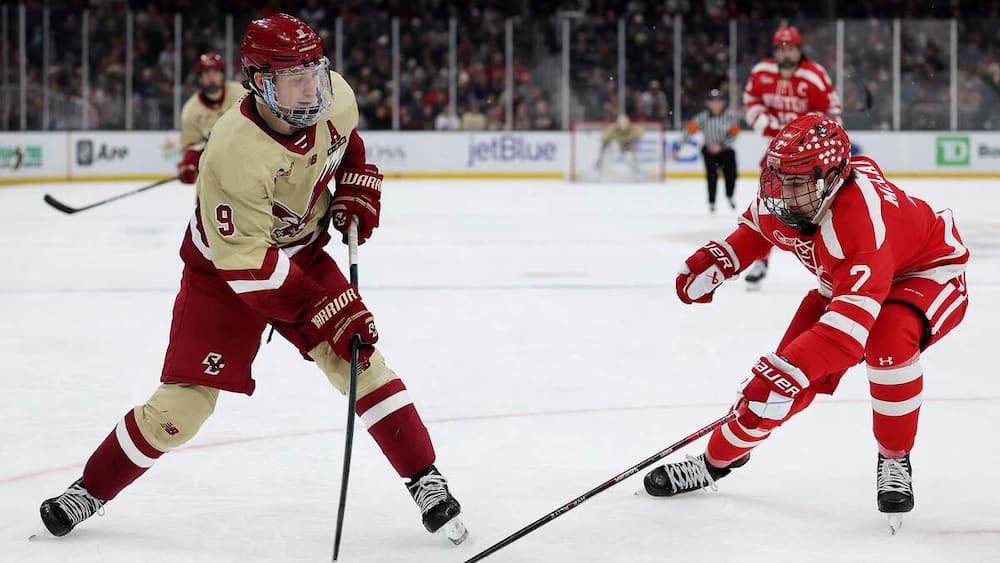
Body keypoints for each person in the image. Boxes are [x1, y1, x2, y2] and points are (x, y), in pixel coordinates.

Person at [37, 13, 468, 546]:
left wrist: (356, 186)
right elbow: (250, 268)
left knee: (362, 362)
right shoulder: (234, 152)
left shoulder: (336, 99)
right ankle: (91, 489)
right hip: (225, 273)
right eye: (294, 77)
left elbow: (345, 144)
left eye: (315, 71)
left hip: (302, 254)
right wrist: (327, 312)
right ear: (261, 82)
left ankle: (424, 476)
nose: (311, 87)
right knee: (182, 409)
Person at [642, 115, 969, 532]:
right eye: (777, 178)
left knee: (886, 344)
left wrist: (784, 373)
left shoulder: (860, 224)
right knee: (773, 393)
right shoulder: (798, 193)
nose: (782, 193)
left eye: (796, 182)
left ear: (833, 178)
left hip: (925, 275)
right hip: (846, 285)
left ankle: (894, 455)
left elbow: (846, 337)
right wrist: (723, 257)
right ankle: (714, 462)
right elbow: (761, 230)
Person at [741, 25, 843, 289]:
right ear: (775, 50)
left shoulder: (815, 75)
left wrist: (812, 137)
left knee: (818, 206)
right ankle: (761, 260)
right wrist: (768, 125)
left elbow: (832, 112)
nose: (786, 53)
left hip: (810, 156)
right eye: (781, 48)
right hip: (777, 153)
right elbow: (751, 101)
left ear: (800, 50)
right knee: (769, 203)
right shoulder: (761, 73)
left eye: (791, 48)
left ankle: (832, 260)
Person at [177, 52, 248, 184]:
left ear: (222, 74)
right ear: (199, 78)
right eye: (206, 73)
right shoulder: (191, 110)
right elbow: (193, 146)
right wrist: (189, 165)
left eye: (215, 72)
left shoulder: (242, 94)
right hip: (215, 176)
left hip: (247, 167)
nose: (211, 77)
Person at [676, 89, 741, 213]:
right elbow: (689, 131)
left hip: (726, 151)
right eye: (713, 101)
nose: (716, 104)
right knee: (711, 177)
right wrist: (679, 146)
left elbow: (735, 133)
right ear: (708, 103)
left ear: (723, 103)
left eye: (718, 101)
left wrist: (721, 146)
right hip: (710, 151)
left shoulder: (730, 116)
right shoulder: (703, 117)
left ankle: (729, 195)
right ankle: (712, 202)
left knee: (731, 175)